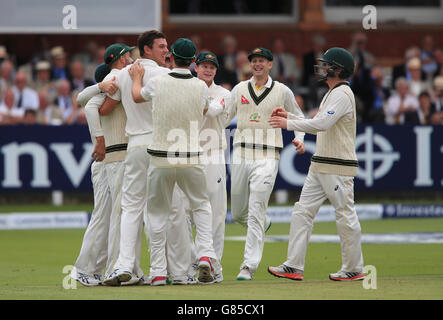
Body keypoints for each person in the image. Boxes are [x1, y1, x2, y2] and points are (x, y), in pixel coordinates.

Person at [268, 47, 365, 282]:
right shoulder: (331, 92)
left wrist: (287, 124)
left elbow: (322, 123)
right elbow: (317, 121)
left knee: (344, 213)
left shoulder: (342, 94)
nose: (322, 68)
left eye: (327, 64)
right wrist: (289, 117)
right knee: (302, 211)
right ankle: (293, 265)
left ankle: (354, 267)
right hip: (320, 163)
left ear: (339, 69)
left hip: (337, 165)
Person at [128, 38, 220, 285]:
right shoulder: (201, 86)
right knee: (201, 206)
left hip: (161, 157)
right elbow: (203, 111)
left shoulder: (158, 81)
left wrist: (137, 78)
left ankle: (158, 271)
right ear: (192, 61)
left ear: (171, 57)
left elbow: (137, 97)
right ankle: (205, 255)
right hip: (191, 156)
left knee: (157, 214)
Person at [223, 47, 306, 281]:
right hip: (241, 154)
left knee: (257, 208)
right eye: (254, 61)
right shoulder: (239, 89)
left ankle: (248, 266)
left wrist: (298, 139)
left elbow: (298, 117)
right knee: (239, 212)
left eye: (262, 61)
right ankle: (264, 222)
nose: (257, 64)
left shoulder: (282, 91)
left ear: (270, 64)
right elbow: (222, 118)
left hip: (268, 155)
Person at [100, 30, 171, 286]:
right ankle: (160, 270)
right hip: (159, 144)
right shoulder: (165, 75)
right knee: (159, 208)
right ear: (147, 49)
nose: (166, 51)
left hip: (135, 146)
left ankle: (124, 266)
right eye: (161, 46)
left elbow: (103, 108)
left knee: (131, 207)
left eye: (167, 46)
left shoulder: (121, 74)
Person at [77, 43, 149, 287]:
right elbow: (87, 104)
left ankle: (115, 269)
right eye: (127, 55)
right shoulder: (117, 76)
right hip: (115, 158)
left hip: (114, 158)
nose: (131, 58)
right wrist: (99, 140)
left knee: (111, 216)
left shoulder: (117, 78)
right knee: (114, 216)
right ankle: (105, 270)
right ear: (119, 59)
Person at [175, 51, 231, 283]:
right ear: (194, 67)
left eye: (212, 67)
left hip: (213, 154)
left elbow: (216, 112)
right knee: (184, 212)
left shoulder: (224, 93)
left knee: (215, 212)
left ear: (216, 71)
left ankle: (213, 266)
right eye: (204, 66)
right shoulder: (184, 87)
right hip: (188, 154)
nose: (208, 70)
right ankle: (192, 265)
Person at [69, 63, 114, 286]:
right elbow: (81, 100)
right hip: (104, 163)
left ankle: (99, 269)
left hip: (113, 162)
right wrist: (100, 86)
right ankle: (83, 269)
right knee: (102, 216)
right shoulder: (98, 98)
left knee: (113, 218)